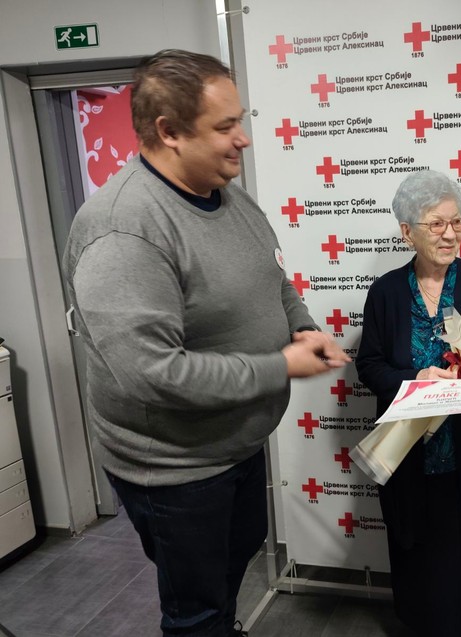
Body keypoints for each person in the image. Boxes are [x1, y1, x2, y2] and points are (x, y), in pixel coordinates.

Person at [62, 49, 350, 637]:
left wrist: (300, 323)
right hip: (174, 470)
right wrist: (280, 366)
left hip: (236, 446)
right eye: (225, 127)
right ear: (168, 132)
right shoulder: (125, 229)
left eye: (239, 121)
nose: (242, 139)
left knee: (225, 580)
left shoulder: (229, 195)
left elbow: (272, 276)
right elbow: (151, 374)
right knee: (192, 610)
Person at [355, 170, 461, 636]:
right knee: (421, 554)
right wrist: (415, 379)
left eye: (457, 222)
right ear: (406, 231)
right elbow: (368, 365)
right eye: (436, 224)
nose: (450, 234)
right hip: (411, 454)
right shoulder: (386, 293)